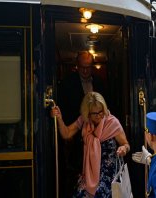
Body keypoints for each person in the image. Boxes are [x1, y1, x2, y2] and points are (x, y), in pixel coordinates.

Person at [51, 92, 130, 198]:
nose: (99, 115)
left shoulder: (113, 122)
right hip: (89, 173)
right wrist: (59, 118)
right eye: (95, 113)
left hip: (109, 174)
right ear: (87, 113)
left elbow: (126, 144)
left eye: (101, 111)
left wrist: (123, 148)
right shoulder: (84, 120)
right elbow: (66, 134)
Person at [57, 51, 106, 197]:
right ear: (77, 66)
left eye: (88, 67)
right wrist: (59, 118)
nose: (85, 70)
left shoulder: (100, 84)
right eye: (82, 67)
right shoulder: (67, 83)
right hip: (78, 144)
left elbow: (124, 143)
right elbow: (66, 133)